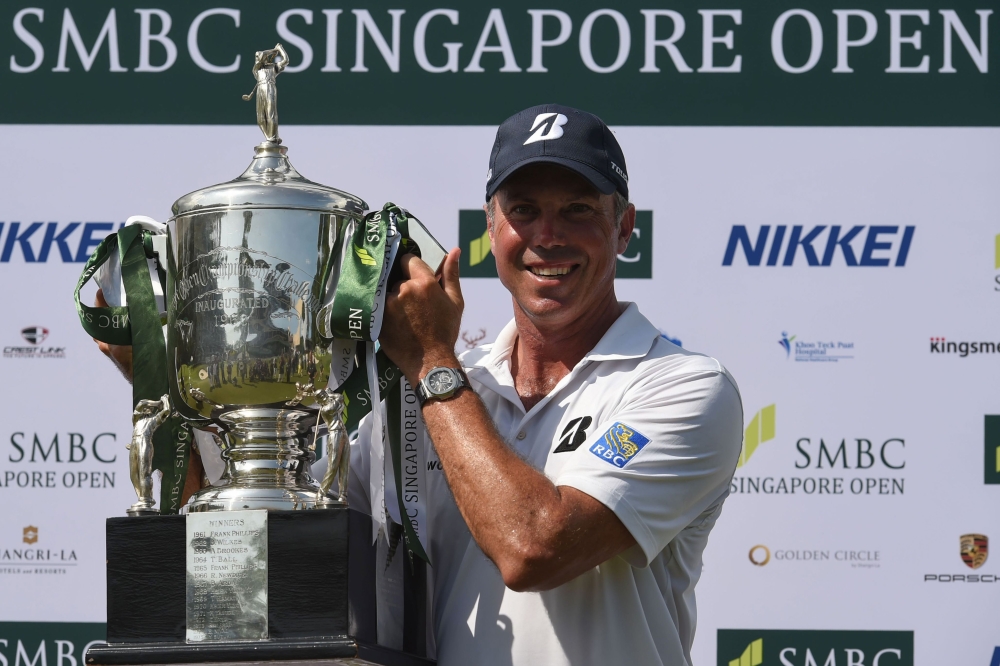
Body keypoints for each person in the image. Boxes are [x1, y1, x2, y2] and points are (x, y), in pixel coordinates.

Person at [96, 104, 743, 666]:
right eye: (524, 210)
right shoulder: (429, 403)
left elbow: (534, 547)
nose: (548, 236)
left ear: (625, 227)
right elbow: (272, 559)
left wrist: (433, 358)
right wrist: (163, 381)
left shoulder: (680, 387)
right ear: (492, 228)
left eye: (577, 210)